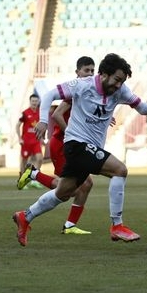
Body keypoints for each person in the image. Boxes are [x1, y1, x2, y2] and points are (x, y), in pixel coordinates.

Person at [12, 53, 147, 247]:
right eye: (117, 79)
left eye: (122, 81)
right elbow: (50, 95)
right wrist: (43, 121)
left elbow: (142, 108)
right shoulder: (83, 85)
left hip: (88, 148)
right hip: (76, 144)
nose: (119, 85)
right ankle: (117, 225)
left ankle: (25, 216)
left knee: (63, 193)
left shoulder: (121, 90)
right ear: (103, 74)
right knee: (120, 170)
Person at [17, 56, 97, 234]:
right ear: (77, 73)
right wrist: (72, 134)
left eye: (92, 70)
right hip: (63, 144)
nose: (90, 74)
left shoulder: (89, 92)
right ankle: (34, 174)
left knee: (86, 184)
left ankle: (70, 225)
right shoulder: (73, 92)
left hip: (70, 145)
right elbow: (58, 115)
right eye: (86, 70)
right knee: (68, 190)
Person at [16, 94, 43, 188]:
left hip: (36, 141)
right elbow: (17, 125)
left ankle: (34, 179)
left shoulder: (40, 113)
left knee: (39, 158)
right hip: (26, 141)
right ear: (30, 102)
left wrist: (42, 137)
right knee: (24, 161)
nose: (34, 103)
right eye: (33, 101)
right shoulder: (25, 113)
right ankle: (21, 179)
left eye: (36, 101)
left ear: (38, 102)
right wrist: (19, 138)